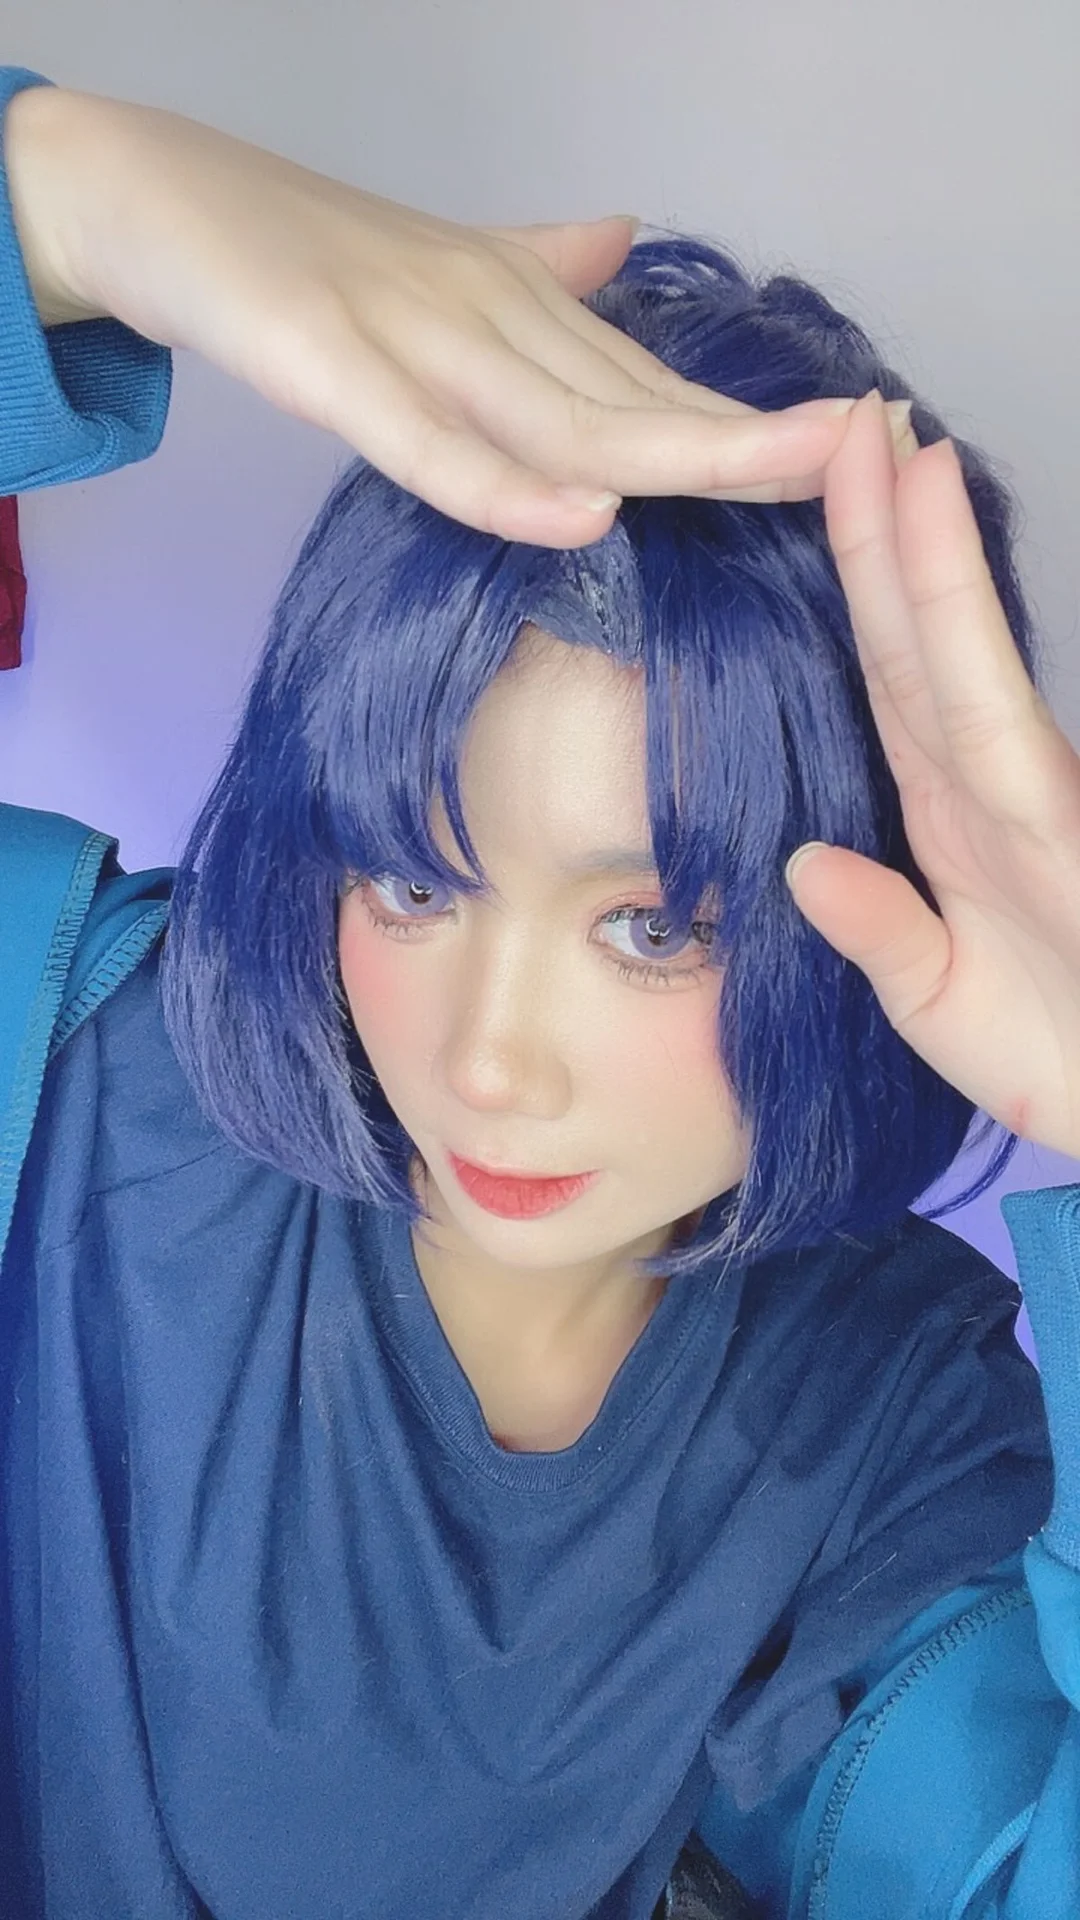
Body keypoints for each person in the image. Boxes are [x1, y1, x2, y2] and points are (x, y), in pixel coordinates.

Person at [0, 66, 1076, 1920]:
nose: (488, 1066)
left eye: (652, 927)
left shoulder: (887, 1417)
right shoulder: (64, 1056)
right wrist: (69, 198)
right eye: (414, 881)